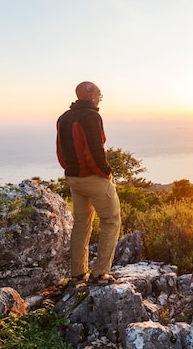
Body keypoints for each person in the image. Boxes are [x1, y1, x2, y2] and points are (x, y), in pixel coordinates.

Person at [56, 81, 121, 285]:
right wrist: (106, 173)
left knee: (82, 224)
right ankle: (101, 273)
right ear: (92, 97)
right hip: (93, 178)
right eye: (99, 96)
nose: (100, 99)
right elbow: (95, 151)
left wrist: (70, 171)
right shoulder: (91, 117)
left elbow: (60, 151)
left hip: (74, 178)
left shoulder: (64, 118)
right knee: (111, 220)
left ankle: (77, 274)